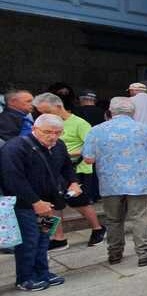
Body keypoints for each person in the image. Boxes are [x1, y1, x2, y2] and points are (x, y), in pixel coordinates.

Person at [82, 97, 147, 266]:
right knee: (140, 218)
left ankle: (114, 254)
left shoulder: (96, 130)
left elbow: (88, 159)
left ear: (110, 112)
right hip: (139, 181)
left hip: (110, 181)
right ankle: (143, 254)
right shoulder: (145, 129)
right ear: (133, 112)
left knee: (113, 219)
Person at [1, 114, 78, 291]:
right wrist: (35, 202)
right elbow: (13, 179)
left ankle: (42, 272)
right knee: (29, 241)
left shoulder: (59, 145)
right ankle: (25, 277)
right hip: (25, 205)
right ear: (35, 129)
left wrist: (73, 181)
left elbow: (66, 166)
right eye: (47, 132)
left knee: (44, 238)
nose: (52, 136)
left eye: (58, 132)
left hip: (50, 203)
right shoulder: (15, 147)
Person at [32, 93, 106, 250]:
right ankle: (57, 237)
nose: (43, 115)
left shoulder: (80, 123)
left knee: (79, 202)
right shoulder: (43, 124)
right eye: (40, 112)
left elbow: (92, 146)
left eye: (46, 111)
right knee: (51, 205)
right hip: (51, 171)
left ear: (58, 107)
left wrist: (63, 153)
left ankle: (97, 228)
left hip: (76, 169)